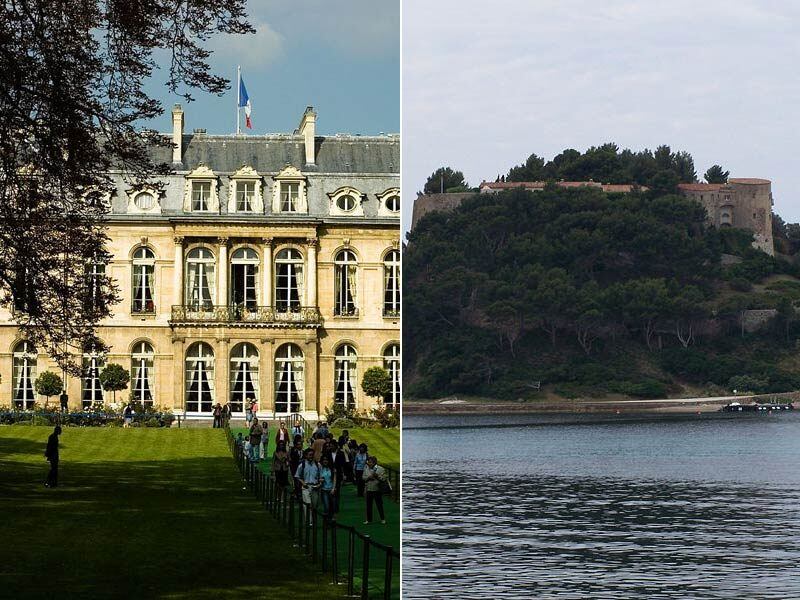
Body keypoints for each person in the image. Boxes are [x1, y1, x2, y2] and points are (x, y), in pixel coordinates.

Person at [363, 456, 387, 524]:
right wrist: (368, 478)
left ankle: (382, 519)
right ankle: (369, 520)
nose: (369, 463)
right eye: (368, 462)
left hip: (377, 489)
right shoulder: (366, 468)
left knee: (379, 505)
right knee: (368, 505)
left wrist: (377, 476)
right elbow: (363, 478)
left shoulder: (381, 469)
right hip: (369, 489)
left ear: (374, 462)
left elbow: (384, 479)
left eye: (370, 462)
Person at [319, 455, 336, 519]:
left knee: (333, 507)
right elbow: (318, 478)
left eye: (326, 460)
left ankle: (332, 519)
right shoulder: (320, 469)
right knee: (326, 507)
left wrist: (333, 488)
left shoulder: (332, 469)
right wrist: (320, 480)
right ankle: (327, 520)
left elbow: (334, 479)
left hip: (331, 489)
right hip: (324, 490)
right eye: (324, 460)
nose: (325, 461)